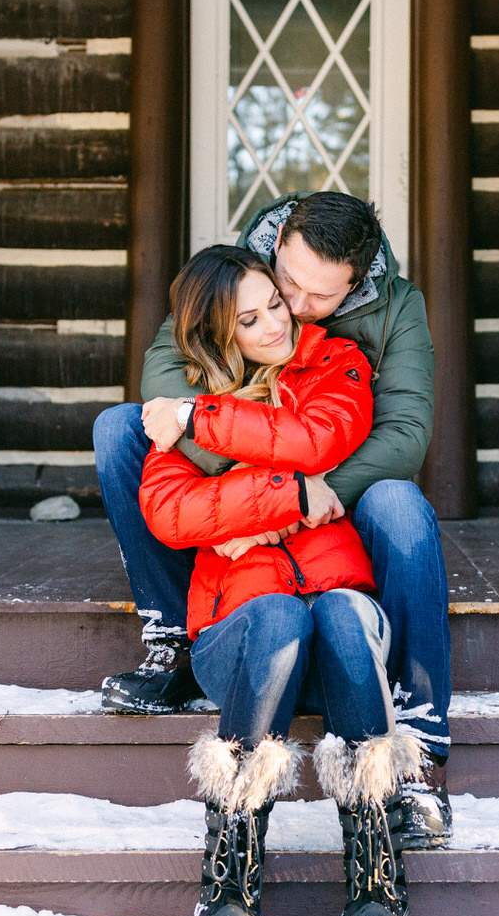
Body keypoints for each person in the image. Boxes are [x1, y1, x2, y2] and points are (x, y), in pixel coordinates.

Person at [93, 192, 454, 849]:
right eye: (289, 281)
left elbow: (404, 431)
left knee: (401, 506)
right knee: (121, 430)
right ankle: (177, 639)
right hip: (248, 487)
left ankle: (420, 739)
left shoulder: (398, 309)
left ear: (359, 280)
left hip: (339, 491)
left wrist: (310, 498)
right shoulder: (232, 275)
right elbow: (165, 374)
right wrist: (269, 491)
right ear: (278, 239)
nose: (296, 305)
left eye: (321, 296)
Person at [138, 245, 422, 916]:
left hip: (340, 635)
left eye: (276, 304)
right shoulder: (187, 394)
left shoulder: (334, 363)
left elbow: (318, 437)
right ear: (218, 333)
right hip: (237, 638)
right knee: (277, 616)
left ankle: (375, 882)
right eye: (250, 319)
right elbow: (169, 511)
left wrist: (207, 427)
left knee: (338, 613)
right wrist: (288, 499)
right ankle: (230, 887)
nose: (275, 326)